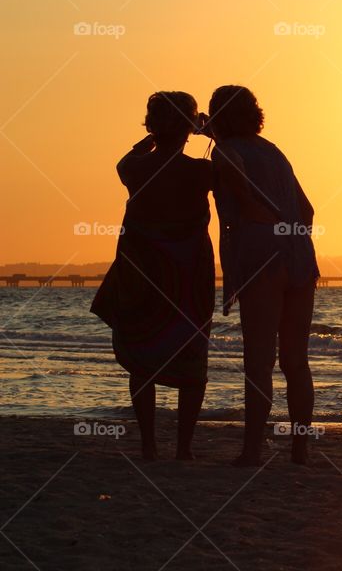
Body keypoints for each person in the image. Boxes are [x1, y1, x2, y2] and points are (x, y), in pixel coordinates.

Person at [91, 91, 215, 461]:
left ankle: (148, 444)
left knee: (143, 357)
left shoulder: (133, 168)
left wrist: (153, 135)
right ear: (189, 128)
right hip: (188, 276)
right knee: (191, 359)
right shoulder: (201, 171)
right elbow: (233, 172)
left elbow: (131, 156)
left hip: (142, 275)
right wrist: (209, 133)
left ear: (151, 125)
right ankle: (184, 449)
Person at [206, 85, 319, 466]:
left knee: (258, 361)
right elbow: (307, 211)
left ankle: (252, 450)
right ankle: (300, 450)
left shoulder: (225, 152)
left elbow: (250, 205)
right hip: (300, 258)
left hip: (259, 259)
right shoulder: (274, 152)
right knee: (295, 361)